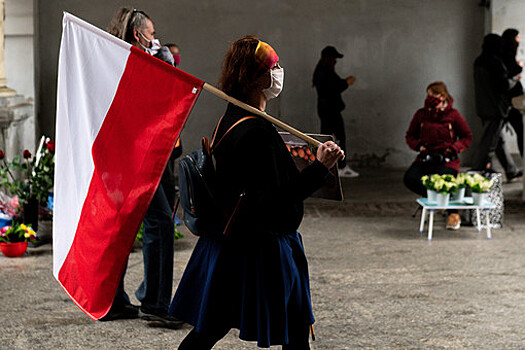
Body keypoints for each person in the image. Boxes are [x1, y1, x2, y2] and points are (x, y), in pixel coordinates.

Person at [169, 35, 343, 349]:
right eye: (274, 67)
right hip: (261, 247)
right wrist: (321, 167)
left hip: (233, 242)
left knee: (212, 325)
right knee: (292, 326)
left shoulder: (232, 117)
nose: (279, 72)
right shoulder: (257, 130)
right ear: (257, 78)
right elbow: (278, 198)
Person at [101, 7, 181, 328]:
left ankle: (115, 300)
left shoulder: (121, 58)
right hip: (137, 157)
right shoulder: (133, 61)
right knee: (160, 222)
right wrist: (164, 63)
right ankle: (156, 303)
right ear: (138, 35)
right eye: (151, 32)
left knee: (126, 226)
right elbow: (153, 93)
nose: (155, 37)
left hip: (140, 153)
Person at [404, 82, 472, 230]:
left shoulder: (453, 115)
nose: (430, 98)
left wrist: (454, 148)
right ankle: (436, 200)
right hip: (426, 158)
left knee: (445, 182)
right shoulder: (421, 114)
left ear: (442, 96)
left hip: (446, 160)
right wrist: (418, 146)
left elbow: (467, 137)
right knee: (410, 178)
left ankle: (453, 214)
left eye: (433, 95)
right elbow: (410, 135)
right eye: (428, 95)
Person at [472, 33, 520, 179]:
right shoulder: (495, 62)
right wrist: (515, 79)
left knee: (498, 141)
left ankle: (511, 170)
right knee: (489, 143)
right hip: (496, 108)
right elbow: (504, 85)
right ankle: (477, 171)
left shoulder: (479, 61)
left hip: (483, 106)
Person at [312, 45, 359, 178]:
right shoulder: (325, 71)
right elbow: (333, 87)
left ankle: (327, 165)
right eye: (334, 58)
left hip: (326, 109)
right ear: (329, 58)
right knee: (337, 137)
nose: (336, 61)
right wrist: (346, 83)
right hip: (330, 109)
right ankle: (341, 166)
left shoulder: (321, 70)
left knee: (328, 137)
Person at [499, 28, 524, 181]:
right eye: (518, 37)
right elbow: (507, 77)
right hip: (510, 102)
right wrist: (518, 67)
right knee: (521, 133)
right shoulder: (506, 55)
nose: (519, 40)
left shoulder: (500, 54)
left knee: (496, 139)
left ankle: (511, 169)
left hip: (506, 102)